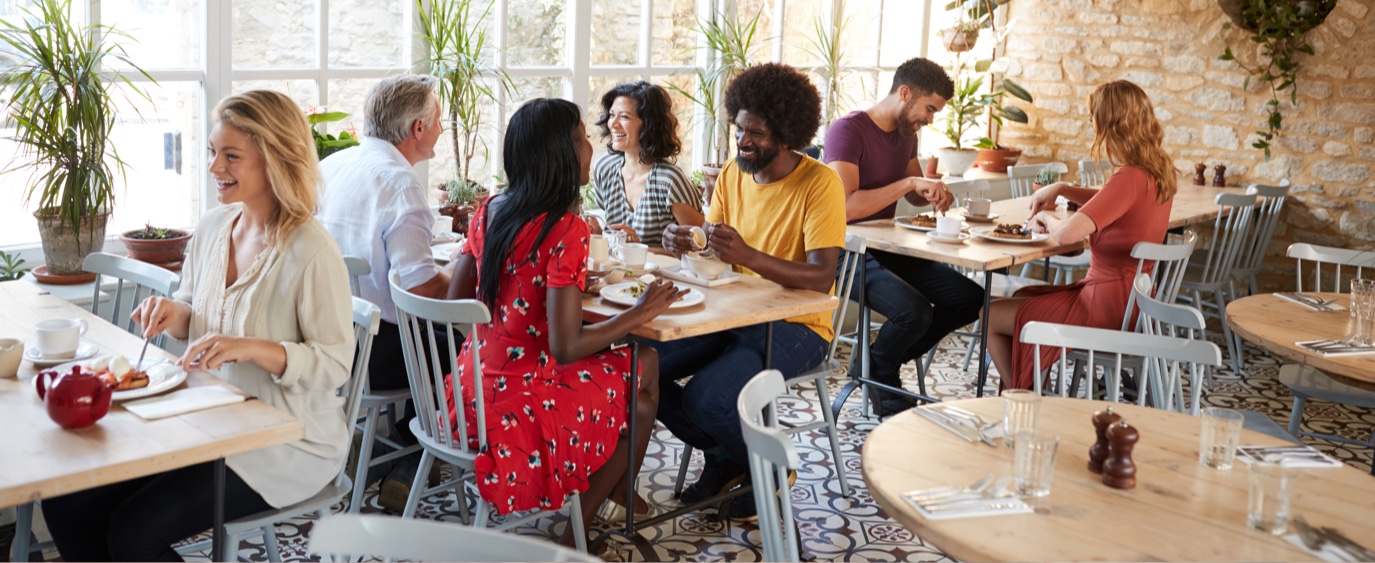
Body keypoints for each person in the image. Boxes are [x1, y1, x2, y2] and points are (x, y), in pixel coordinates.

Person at [42, 90, 354, 561]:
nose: (214, 167)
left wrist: (253, 347)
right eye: (213, 151)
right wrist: (175, 313)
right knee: (67, 501)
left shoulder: (311, 250)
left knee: (134, 532)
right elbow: (192, 307)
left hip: (286, 443)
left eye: (231, 156)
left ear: (274, 159)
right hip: (205, 418)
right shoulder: (213, 226)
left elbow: (334, 365)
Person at [445, 98, 685, 543]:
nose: (592, 149)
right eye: (584, 140)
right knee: (645, 361)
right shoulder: (566, 228)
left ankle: (615, 492)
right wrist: (641, 312)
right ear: (562, 152)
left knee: (644, 399)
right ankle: (587, 522)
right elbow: (565, 347)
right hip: (522, 404)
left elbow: (456, 300)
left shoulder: (489, 211)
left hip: (470, 390)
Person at [656, 63, 846, 520]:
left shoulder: (820, 184)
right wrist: (683, 241)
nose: (742, 140)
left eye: (755, 133)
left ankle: (770, 467)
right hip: (734, 311)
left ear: (785, 135)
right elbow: (716, 250)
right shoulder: (731, 173)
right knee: (639, 367)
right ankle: (730, 454)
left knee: (707, 399)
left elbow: (821, 276)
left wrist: (752, 255)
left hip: (800, 324)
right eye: (739, 128)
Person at [985, 80, 1177, 390]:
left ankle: (1022, 397)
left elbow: (1067, 235)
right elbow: (1108, 197)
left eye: (1093, 118)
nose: (1091, 125)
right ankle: (1026, 390)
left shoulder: (1128, 177)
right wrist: (1061, 188)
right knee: (1022, 298)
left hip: (1103, 309)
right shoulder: (1156, 170)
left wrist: (1045, 215)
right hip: (1133, 305)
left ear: (1110, 123)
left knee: (990, 315)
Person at [316, 75, 452, 509]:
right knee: (471, 347)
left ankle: (386, 451)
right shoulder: (400, 184)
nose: (442, 129)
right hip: (375, 355)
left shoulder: (332, 166)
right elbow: (423, 287)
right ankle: (418, 456)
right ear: (417, 129)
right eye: (438, 121)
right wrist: (470, 276)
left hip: (329, 336)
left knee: (437, 339)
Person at [823, 57, 984, 415]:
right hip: (845, 252)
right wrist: (911, 182)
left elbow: (910, 194)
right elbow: (845, 207)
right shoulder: (847, 131)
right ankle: (883, 374)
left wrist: (930, 190)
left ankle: (876, 363)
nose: (930, 119)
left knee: (969, 298)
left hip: (887, 247)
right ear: (905, 93)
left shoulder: (905, 134)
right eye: (929, 109)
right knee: (914, 313)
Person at [591, 80, 704, 248]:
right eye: (612, 115)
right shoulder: (604, 167)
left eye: (624, 117)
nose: (613, 124)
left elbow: (702, 249)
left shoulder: (670, 181)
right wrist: (599, 235)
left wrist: (640, 248)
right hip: (621, 273)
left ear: (649, 125)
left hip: (666, 274)